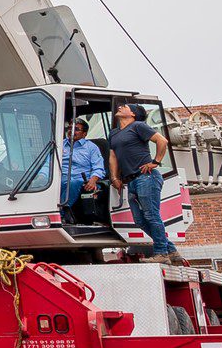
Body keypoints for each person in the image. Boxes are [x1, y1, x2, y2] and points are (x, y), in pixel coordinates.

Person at [107, 100, 181, 262]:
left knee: (151, 215)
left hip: (146, 177)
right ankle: (171, 250)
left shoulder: (138, 126)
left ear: (133, 114)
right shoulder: (113, 133)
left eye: (124, 106)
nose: (120, 107)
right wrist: (114, 177)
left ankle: (161, 253)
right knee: (139, 220)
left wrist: (155, 162)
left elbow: (162, 141)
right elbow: (113, 156)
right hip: (130, 181)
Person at [60, 119, 106, 219]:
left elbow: (99, 168)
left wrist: (93, 180)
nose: (71, 131)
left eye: (76, 129)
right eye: (70, 128)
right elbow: (48, 164)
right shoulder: (59, 145)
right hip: (60, 177)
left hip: (80, 180)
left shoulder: (91, 147)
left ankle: (60, 213)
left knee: (72, 183)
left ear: (84, 133)